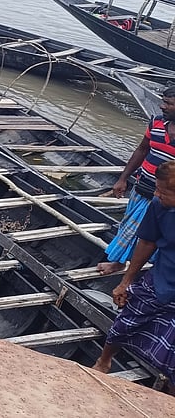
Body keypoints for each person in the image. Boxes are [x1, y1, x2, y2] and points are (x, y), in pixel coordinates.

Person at [93, 159, 175, 381]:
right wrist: (126, 281)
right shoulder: (159, 206)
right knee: (127, 321)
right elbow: (147, 242)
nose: (156, 194)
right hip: (162, 279)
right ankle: (103, 362)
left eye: (163, 191)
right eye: (156, 188)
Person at [98, 86, 175, 276]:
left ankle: (141, 270)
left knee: (154, 236)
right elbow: (142, 150)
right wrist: (123, 178)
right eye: (163, 101)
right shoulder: (156, 123)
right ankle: (119, 262)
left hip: (166, 197)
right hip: (142, 187)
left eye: (168, 103)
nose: (162, 106)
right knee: (128, 227)